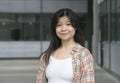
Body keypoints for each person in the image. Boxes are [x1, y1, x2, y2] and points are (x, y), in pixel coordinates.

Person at [36, 8, 95, 83]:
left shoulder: (83, 54)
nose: (63, 28)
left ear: (75, 27)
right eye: (59, 25)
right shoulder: (47, 55)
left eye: (68, 24)